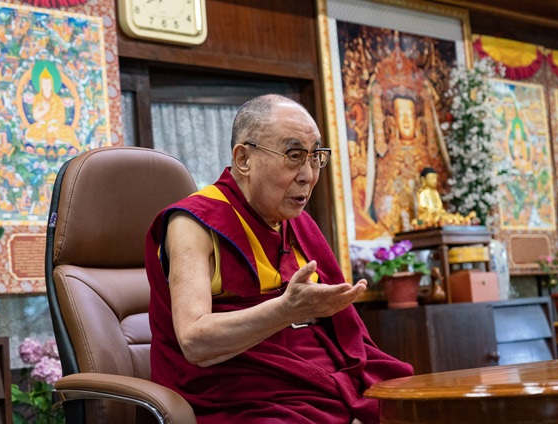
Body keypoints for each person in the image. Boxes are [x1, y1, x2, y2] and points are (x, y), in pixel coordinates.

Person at [146, 94, 413, 423]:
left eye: (315, 157)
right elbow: (194, 341)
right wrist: (287, 310)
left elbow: (341, 334)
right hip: (238, 400)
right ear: (244, 159)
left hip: (320, 386)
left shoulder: (297, 225)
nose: (308, 175)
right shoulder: (193, 223)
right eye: (294, 155)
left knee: (412, 403)